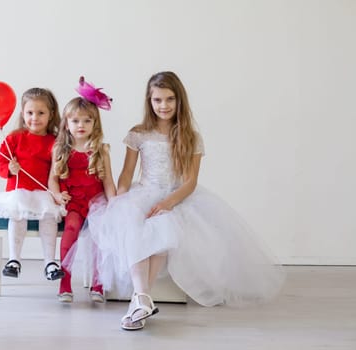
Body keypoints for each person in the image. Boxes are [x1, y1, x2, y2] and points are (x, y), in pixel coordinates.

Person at [87, 71, 286, 330]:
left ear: (180, 100)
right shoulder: (138, 134)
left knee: (162, 226)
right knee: (131, 220)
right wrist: (119, 200)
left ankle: (139, 300)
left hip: (177, 195)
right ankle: (143, 297)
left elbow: (190, 182)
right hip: (143, 191)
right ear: (149, 101)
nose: (164, 106)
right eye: (157, 100)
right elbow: (126, 175)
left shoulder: (191, 137)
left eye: (170, 99)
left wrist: (168, 202)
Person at [0, 87, 66, 282]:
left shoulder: (54, 142)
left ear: (51, 115)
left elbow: (60, 172)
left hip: (44, 193)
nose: (35, 118)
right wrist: (10, 168)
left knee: (48, 216)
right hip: (18, 192)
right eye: (30, 113)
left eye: (41, 113)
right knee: (18, 213)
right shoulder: (13, 139)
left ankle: (50, 262)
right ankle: (14, 260)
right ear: (23, 114)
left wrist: (60, 193)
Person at [49, 77, 116, 303]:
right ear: (66, 123)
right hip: (74, 203)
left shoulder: (101, 149)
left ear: (95, 124)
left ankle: (98, 284)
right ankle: (65, 283)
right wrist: (58, 195)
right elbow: (53, 180)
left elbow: (107, 181)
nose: (81, 125)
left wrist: (113, 204)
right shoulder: (60, 149)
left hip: (96, 202)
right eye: (75, 120)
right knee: (71, 230)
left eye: (87, 120)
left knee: (99, 239)